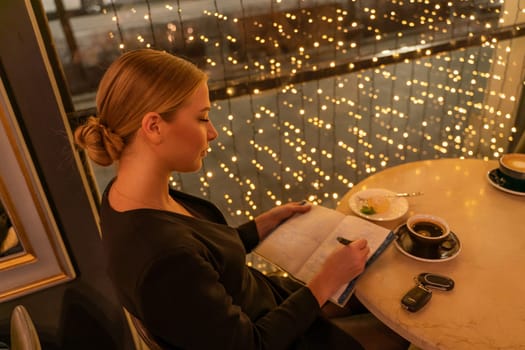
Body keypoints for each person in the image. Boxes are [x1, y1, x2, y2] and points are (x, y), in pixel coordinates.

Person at [74, 49, 408, 349]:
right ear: (154, 126)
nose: (212, 132)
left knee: (382, 286)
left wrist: (257, 228)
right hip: (278, 335)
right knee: (403, 324)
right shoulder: (162, 259)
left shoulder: (125, 195)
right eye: (202, 117)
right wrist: (324, 282)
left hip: (271, 303)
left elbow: (200, 260)